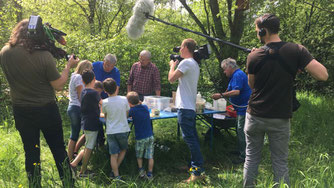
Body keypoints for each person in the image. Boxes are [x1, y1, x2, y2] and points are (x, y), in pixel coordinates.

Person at [244, 14, 328, 187]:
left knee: (251, 158)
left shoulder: (253, 56)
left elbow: (252, 86)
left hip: (255, 116)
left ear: (262, 31)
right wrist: (297, 61)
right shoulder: (297, 50)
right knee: (280, 162)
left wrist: (256, 59)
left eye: (257, 32)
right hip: (279, 117)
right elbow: (323, 75)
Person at [0, 19, 79, 187]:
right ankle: (68, 183)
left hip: (21, 110)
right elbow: (58, 85)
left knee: (31, 151)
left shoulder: (5, 52)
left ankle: (34, 184)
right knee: (58, 148)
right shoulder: (44, 56)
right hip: (46, 110)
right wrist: (68, 66)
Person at [168, 38, 204, 183]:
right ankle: (193, 166)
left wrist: (172, 65)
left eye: (181, 47)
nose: (179, 49)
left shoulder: (186, 62)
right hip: (189, 107)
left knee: (190, 139)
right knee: (193, 138)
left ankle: (197, 171)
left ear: (186, 48)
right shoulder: (193, 63)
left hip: (185, 108)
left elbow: (171, 78)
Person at [211, 58, 251, 164]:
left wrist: (220, 95)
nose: (224, 72)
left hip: (243, 107)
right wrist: (222, 96)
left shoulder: (238, 75)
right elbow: (229, 90)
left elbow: (236, 91)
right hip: (238, 107)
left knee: (241, 130)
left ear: (230, 67)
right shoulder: (234, 76)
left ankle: (244, 156)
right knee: (238, 129)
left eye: (224, 69)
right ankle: (240, 150)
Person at [70, 70, 101, 177]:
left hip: (85, 122)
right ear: (94, 80)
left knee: (87, 145)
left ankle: (73, 164)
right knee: (89, 148)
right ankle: (82, 172)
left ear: (82, 81)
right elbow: (102, 103)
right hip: (92, 123)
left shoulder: (83, 92)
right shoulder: (94, 93)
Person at [102, 78, 130, 180]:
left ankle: (116, 175)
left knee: (113, 154)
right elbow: (127, 114)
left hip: (110, 131)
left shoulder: (104, 102)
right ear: (116, 88)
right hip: (122, 129)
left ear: (105, 90)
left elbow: (105, 117)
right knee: (123, 149)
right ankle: (114, 172)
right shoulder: (124, 99)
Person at [67, 60, 92, 161]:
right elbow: (81, 96)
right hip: (77, 108)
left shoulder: (74, 76)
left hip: (73, 107)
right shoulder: (78, 77)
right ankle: (70, 158)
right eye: (90, 69)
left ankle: (73, 153)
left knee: (80, 133)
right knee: (75, 134)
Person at [93, 53, 120, 147]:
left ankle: (111, 142)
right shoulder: (95, 66)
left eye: (111, 66)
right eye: (107, 65)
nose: (109, 68)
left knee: (108, 120)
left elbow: (116, 88)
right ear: (104, 61)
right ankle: (99, 142)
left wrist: (112, 102)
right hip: (94, 99)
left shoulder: (116, 72)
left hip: (108, 100)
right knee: (97, 120)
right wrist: (98, 100)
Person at [127, 91, 154, 179]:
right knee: (150, 156)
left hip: (140, 137)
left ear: (129, 103)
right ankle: (150, 173)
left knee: (139, 156)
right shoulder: (145, 107)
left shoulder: (132, 110)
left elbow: (127, 115)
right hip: (150, 136)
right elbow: (141, 105)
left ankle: (141, 171)